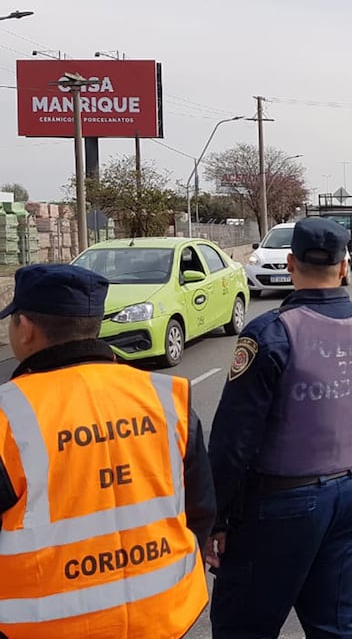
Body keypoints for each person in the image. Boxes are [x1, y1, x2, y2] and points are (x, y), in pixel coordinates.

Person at [207, 217, 352, 639]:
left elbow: (233, 441)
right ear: (344, 265)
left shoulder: (271, 333)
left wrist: (215, 519)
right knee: (332, 625)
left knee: (244, 626)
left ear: (292, 263)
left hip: (279, 505)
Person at [0, 264, 215, 639]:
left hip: (48, 627)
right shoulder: (165, 397)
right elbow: (200, 508)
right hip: (164, 613)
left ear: (26, 328)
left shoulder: (8, 415)